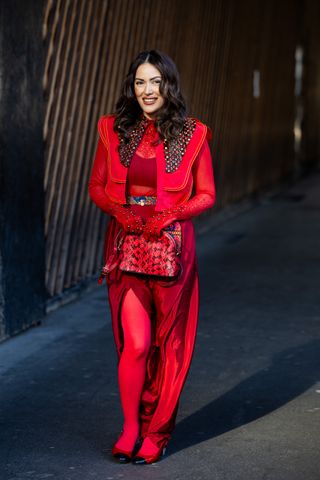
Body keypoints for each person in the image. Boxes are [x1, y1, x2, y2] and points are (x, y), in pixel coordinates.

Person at [88, 49, 216, 465]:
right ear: (132, 86)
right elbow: (97, 186)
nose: (147, 90)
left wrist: (170, 214)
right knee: (137, 343)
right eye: (140, 82)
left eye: (155, 82)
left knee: (169, 344)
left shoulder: (193, 133)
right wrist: (123, 213)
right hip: (126, 245)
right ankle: (130, 429)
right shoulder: (112, 129)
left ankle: (156, 432)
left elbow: (206, 194)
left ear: (168, 86)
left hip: (173, 247)